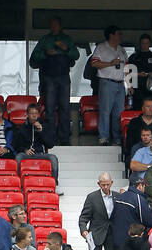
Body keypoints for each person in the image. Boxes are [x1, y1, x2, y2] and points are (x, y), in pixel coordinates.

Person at [29, 16, 82, 146]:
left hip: (63, 77)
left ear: (60, 26)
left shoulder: (67, 40)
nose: (53, 27)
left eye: (56, 24)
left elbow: (76, 55)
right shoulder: (45, 40)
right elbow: (33, 59)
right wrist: (46, 53)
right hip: (49, 77)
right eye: (51, 24)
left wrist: (65, 48)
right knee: (50, 109)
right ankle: (50, 138)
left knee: (65, 108)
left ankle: (64, 139)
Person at [90, 26, 128, 146]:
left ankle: (116, 138)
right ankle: (104, 137)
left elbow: (126, 68)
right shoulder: (101, 47)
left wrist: (129, 84)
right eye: (118, 33)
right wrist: (110, 63)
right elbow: (94, 63)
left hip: (120, 83)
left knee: (119, 112)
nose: (120, 36)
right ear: (111, 35)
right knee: (105, 111)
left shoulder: (122, 50)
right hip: (107, 82)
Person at [13, 103, 60, 183]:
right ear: (27, 115)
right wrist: (25, 150)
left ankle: (54, 184)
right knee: (18, 157)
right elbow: (16, 145)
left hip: (41, 154)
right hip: (27, 154)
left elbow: (50, 144)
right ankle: (18, 183)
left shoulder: (44, 126)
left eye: (36, 113)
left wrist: (42, 131)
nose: (34, 116)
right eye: (32, 114)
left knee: (53, 158)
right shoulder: (22, 128)